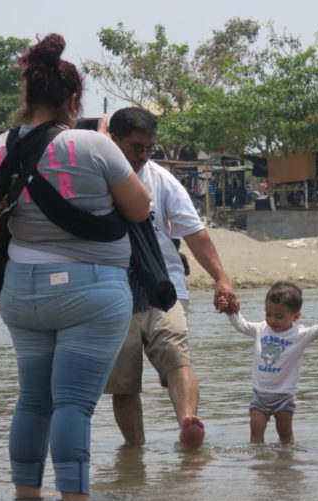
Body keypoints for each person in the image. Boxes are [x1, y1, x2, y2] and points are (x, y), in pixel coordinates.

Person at [0, 34, 152, 501]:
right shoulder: (93, 145)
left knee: (33, 400)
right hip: (90, 292)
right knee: (73, 403)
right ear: (74, 99)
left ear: (27, 95)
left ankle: (26, 499)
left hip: (21, 293)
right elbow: (139, 208)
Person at [103, 106, 238, 452]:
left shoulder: (161, 180)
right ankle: (136, 449)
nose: (144, 156)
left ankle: (187, 424)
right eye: (136, 148)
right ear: (112, 141)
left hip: (164, 289)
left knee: (177, 357)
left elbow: (195, 233)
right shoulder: (93, 177)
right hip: (111, 291)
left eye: (150, 149)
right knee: (124, 382)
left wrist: (221, 279)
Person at [218, 281, 318, 444]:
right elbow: (241, 325)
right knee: (256, 431)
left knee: (285, 435)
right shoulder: (260, 329)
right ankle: (258, 464)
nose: (272, 320)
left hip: (284, 397)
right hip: (260, 395)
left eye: (279, 316)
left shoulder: (300, 335)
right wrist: (230, 311)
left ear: (295, 316)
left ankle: (286, 466)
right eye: (268, 314)